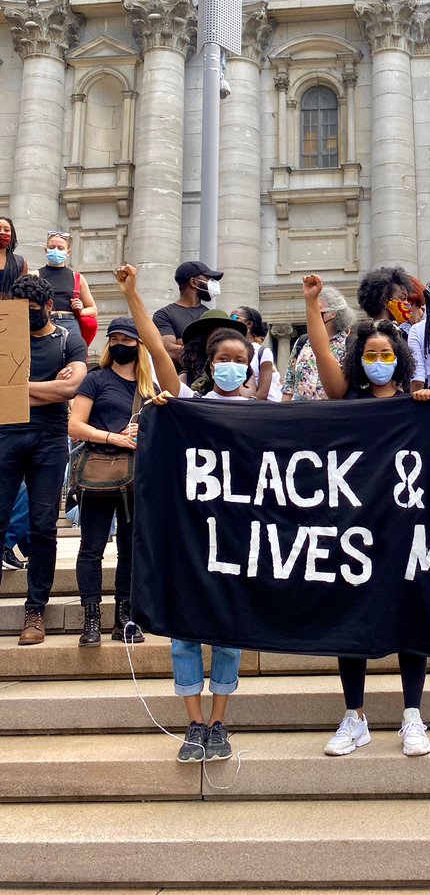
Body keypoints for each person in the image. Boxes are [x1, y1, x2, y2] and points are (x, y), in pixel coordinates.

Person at [116, 264, 249, 763]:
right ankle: (193, 723)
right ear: (211, 365)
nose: (231, 366)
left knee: (230, 635)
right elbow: (153, 346)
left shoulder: (270, 415)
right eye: (223, 359)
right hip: (193, 539)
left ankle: (220, 722)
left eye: (240, 359)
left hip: (240, 542)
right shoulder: (190, 403)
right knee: (185, 633)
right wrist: (131, 296)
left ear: (251, 365)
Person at [303, 273, 430, 756]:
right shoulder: (348, 398)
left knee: (410, 621)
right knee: (351, 620)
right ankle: (354, 716)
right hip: (353, 531)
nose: (377, 362)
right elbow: (322, 357)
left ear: (397, 359)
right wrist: (313, 306)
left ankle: (412, 716)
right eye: (369, 355)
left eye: (385, 355)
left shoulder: (415, 405)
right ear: (359, 360)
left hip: (403, 532)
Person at [0, 275, 88, 644]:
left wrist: (14, 388)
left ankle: (35, 609)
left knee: (42, 526)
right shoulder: (5, 335)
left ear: (49, 307)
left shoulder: (69, 339)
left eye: (33, 312)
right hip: (5, 435)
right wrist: (46, 390)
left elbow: (70, 388)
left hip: (49, 440)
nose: (27, 317)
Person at [67, 317, 157, 646]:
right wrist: (112, 437)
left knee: (130, 550)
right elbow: (74, 426)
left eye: (127, 338)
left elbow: (164, 431)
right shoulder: (96, 380)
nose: (120, 343)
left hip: (137, 475)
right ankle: (91, 618)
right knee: (91, 548)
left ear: (138, 344)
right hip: (98, 471)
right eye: (114, 337)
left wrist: (144, 431)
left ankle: (125, 616)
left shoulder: (150, 389)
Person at [282, 287, 355, 402]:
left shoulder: (349, 345)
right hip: (299, 414)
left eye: (317, 309)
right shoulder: (302, 342)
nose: (312, 313)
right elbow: (289, 385)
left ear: (333, 313)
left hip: (330, 414)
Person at [152, 261, 224, 366]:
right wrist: (206, 349)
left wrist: (182, 343)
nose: (213, 284)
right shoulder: (164, 314)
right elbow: (168, 350)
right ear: (193, 282)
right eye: (208, 279)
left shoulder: (210, 315)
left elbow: (221, 348)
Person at [39, 231, 97, 347]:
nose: (55, 250)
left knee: (74, 358)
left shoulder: (77, 278)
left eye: (60, 248)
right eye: (52, 247)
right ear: (46, 250)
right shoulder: (35, 275)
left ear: (68, 252)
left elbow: (93, 309)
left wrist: (81, 310)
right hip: (44, 322)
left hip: (69, 322)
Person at [179, 309, 249, 393]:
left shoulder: (240, 370)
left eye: (224, 335)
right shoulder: (186, 377)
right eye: (214, 336)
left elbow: (247, 394)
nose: (219, 341)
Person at [231, 306, 283, 401]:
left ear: (249, 324)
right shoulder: (228, 349)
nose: (230, 321)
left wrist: (245, 406)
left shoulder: (263, 353)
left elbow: (263, 393)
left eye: (234, 317)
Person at [0, 216, 27, 299]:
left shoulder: (20, 262)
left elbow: (23, 291)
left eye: (7, 230)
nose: (2, 232)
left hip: (10, 308)